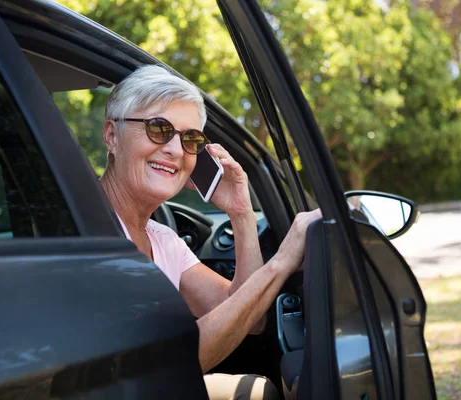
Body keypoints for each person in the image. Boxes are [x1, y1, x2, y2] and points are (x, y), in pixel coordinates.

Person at [99, 64, 321, 399]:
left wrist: (241, 213)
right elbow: (170, 362)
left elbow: (248, 316)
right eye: (158, 129)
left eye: (190, 139)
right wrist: (283, 261)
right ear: (112, 136)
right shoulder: (89, 231)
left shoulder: (162, 239)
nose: (175, 150)